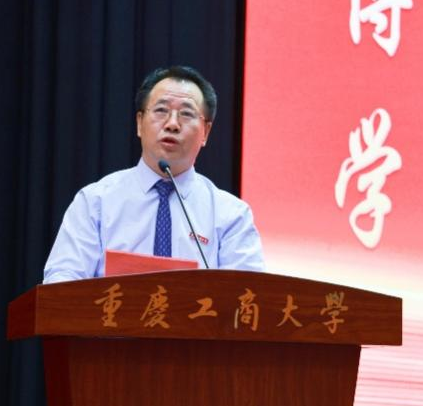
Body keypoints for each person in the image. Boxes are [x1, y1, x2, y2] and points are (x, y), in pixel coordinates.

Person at [43, 65, 265, 283]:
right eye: (161, 111)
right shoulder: (96, 202)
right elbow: (61, 281)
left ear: (205, 132)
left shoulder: (231, 215)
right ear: (140, 123)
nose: (172, 124)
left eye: (186, 114)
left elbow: (248, 294)